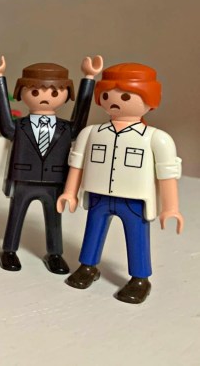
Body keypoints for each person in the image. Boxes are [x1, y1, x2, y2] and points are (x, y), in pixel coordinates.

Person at [57, 63, 183, 304]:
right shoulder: (91, 133)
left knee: (137, 237)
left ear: (150, 100)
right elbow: (77, 163)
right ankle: (87, 267)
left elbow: (167, 173)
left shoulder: (156, 139)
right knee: (93, 231)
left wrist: (171, 208)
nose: (114, 101)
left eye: (126, 96)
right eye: (106, 95)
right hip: (98, 196)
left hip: (134, 201)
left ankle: (140, 278)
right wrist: (70, 192)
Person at [0, 54, 102, 274]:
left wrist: (89, 78)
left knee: (54, 218)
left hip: (54, 181)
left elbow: (80, 120)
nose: (44, 98)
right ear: (21, 92)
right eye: (35, 92)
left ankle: (55, 253)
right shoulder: (18, 126)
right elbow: (4, 123)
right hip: (23, 179)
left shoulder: (66, 129)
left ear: (67, 94)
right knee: (16, 215)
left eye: (54, 92)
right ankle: (9, 250)